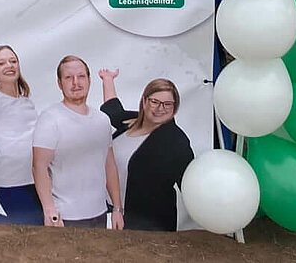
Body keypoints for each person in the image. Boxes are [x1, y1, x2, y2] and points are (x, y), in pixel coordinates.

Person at [32, 56, 124, 230]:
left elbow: (109, 165)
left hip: (100, 214)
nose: (76, 82)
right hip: (65, 217)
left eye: (81, 76)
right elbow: (39, 167)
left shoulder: (102, 120)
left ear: (89, 80)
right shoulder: (50, 119)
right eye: (68, 78)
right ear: (59, 83)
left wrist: (117, 208)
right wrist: (49, 211)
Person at [98, 69, 193, 231]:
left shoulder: (176, 142)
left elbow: (190, 183)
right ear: (144, 101)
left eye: (167, 104)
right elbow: (112, 112)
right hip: (110, 213)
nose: (160, 109)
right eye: (155, 102)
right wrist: (108, 79)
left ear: (175, 107)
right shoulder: (130, 121)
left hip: (148, 224)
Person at [0, 45, 42, 224]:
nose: (9, 65)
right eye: (1, 63)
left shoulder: (27, 101)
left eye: (13, 61)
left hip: (38, 178)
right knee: (32, 231)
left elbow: (27, 140)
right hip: (13, 183)